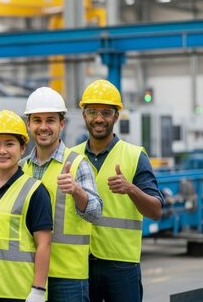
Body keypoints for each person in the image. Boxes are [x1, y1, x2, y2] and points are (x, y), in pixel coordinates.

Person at [72, 79, 164, 302]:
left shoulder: (134, 156)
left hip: (121, 266)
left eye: (106, 112)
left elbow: (156, 211)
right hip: (80, 263)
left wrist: (131, 189)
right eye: (92, 111)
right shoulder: (71, 157)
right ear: (84, 115)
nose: (99, 119)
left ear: (116, 116)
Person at [20, 87, 102, 302]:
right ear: (28, 124)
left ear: (61, 124)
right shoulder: (20, 169)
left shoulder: (77, 164)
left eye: (51, 120)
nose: (43, 127)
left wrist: (77, 191)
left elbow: (95, 213)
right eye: (37, 120)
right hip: (28, 272)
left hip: (67, 277)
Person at [0, 109, 52, 302]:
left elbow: (44, 243)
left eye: (9, 144)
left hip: (19, 293)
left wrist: (38, 289)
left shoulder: (35, 191)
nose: (2, 151)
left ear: (22, 148)